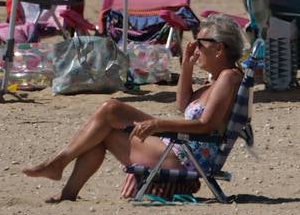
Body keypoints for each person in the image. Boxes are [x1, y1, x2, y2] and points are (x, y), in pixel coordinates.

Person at [22, 13, 245, 202]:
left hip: (185, 158)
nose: (195, 49)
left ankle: (58, 165)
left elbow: (205, 125)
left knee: (111, 110)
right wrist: (186, 67)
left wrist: (157, 124)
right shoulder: (214, 81)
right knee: (104, 125)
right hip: (177, 148)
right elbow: (182, 105)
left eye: (199, 44)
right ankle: (67, 192)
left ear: (218, 49)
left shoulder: (228, 77)